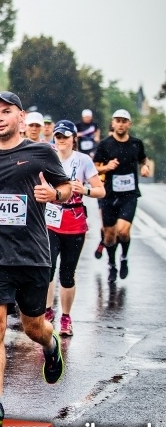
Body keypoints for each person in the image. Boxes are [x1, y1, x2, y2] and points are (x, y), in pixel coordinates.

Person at [0, 91, 71, 427]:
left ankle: (50, 345)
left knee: (33, 326)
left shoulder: (41, 152)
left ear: (20, 117)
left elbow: (67, 189)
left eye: (6, 112)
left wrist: (54, 194)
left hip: (32, 255)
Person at [44, 120, 105, 336]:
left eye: (65, 137)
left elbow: (101, 190)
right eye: (58, 136)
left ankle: (66, 317)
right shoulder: (47, 156)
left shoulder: (83, 160)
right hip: (50, 221)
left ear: (74, 139)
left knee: (67, 273)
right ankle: (47, 310)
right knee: (48, 267)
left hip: (74, 223)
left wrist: (85, 190)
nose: (61, 140)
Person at [93, 109, 150, 282]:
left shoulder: (136, 144)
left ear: (129, 124)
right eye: (118, 121)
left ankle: (124, 257)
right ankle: (112, 264)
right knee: (110, 236)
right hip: (109, 195)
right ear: (113, 123)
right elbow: (94, 167)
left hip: (129, 195)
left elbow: (143, 159)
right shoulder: (105, 144)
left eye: (124, 121)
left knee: (123, 231)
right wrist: (106, 167)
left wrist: (145, 167)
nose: (121, 124)